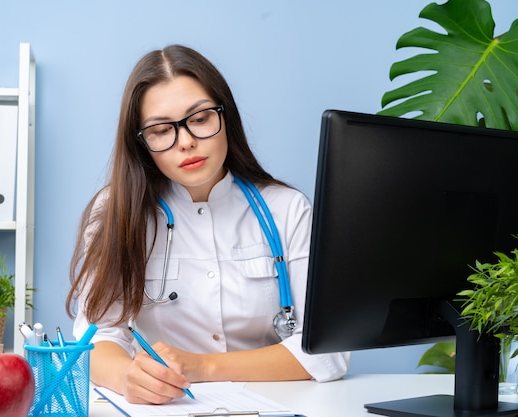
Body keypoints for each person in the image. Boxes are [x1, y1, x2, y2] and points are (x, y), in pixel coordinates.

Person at [67, 44, 349, 405]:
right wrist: (128, 377)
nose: (185, 142)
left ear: (224, 117)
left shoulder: (287, 210)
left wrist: (202, 367)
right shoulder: (115, 212)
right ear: (142, 144)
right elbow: (96, 338)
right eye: (160, 130)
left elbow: (327, 354)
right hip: (166, 409)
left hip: (276, 407)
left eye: (199, 119)